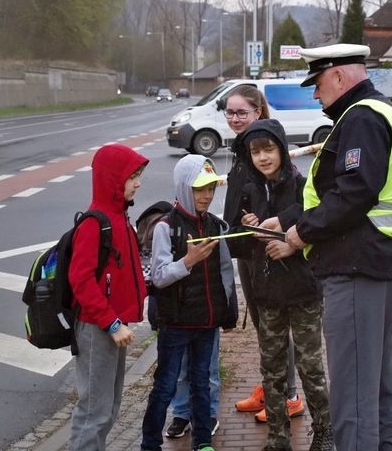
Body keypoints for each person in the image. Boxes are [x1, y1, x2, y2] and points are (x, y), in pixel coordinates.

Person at [270, 43, 392, 451]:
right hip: (382, 261)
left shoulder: (360, 118)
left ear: (338, 75)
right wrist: (284, 221)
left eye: (317, 83)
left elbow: (354, 191)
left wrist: (300, 234)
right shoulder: (387, 113)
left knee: (353, 395)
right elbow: (342, 190)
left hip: (357, 265)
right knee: (377, 385)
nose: (316, 95)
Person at [234, 119, 333, 451]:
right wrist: (249, 227)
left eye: (268, 149)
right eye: (255, 152)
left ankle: (324, 432)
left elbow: (321, 223)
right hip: (268, 294)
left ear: (281, 147)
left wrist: (291, 241)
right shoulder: (250, 190)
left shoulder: (305, 187)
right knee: (272, 371)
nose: (262, 157)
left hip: (304, 290)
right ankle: (278, 439)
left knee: (311, 368)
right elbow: (241, 241)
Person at [140, 155, 237, 451]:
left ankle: (203, 442)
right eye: (199, 189)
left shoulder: (215, 225)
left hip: (206, 322)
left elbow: (224, 274)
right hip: (176, 323)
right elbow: (158, 277)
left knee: (202, 383)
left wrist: (227, 312)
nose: (206, 196)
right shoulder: (165, 228)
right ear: (184, 187)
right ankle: (150, 443)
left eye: (210, 188)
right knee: (166, 385)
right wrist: (188, 261)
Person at [223, 85, 304, 422]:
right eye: (229, 112)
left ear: (258, 112)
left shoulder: (267, 152)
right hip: (246, 248)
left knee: (274, 325)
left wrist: (270, 223)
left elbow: (295, 201)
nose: (234, 118)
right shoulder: (242, 152)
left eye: (242, 112)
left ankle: (289, 395)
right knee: (261, 325)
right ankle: (270, 386)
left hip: (268, 251)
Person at [68, 143, 149, 451]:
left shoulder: (120, 219)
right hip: (97, 328)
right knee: (94, 412)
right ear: (113, 179)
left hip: (113, 326)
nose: (138, 183)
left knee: (109, 407)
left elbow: (124, 273)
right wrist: (112, 323)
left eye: (138, 176)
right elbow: (81, 280)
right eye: (132, 177)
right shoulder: (95, 223)